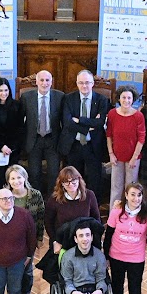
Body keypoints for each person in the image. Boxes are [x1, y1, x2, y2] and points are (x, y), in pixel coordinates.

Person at [103, 183, 147, 294]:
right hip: (116, 255)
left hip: (136, 258)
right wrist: (106, 257)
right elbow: (109, 234)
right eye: (133, 194)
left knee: (134, 289)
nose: (136, 198)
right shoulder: (117, 211)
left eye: (139, 195)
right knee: (117, 285)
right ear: (126, 195)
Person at [58, 70, 111, 202]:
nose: (84, 86)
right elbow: (68, 122)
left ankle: (94, 207)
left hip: (93, 146)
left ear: (93, 83)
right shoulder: (69, 98)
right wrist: (89, 126)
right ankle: (75, 204)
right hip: (73, 145)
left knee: (95, 180)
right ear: (77, 83)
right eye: (81, 83)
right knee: (73, 180)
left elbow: (100, 123)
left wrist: (80, 120)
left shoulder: (102, 100)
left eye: (87, 82)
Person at [7, 164, 46, 294]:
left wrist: (40, 238)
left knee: (27, 270)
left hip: (29, 240)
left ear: (25, 178)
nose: (16, 181)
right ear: (8, 181)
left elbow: (41, 218)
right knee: (10, 269)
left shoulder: (35, 195)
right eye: (13, 178)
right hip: (10, 240)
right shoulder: (6, 195)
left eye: (19, 177)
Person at [19, 69, 63, 195]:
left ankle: (52, 201)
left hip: (52, 139)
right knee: (34, 173)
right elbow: (20, 121)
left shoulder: (60, 96)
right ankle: (36, 201)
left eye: (47, 80)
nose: (45, 83)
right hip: (34, 140)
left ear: (51, 82)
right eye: (42, 80)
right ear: (36, 82)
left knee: (54, 173)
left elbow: (64, 120)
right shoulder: (26, 97)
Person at [106, 86, 146, 205]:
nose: (126, 100)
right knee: (116, 187)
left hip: (133, 158)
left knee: (131, 188)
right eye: (124, 97)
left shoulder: (138, 116)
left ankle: (129, 214)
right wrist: (111, 154)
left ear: (133, 99)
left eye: (129, 98)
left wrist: (134, 158)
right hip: (116, 156)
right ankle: (113, 216)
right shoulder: (112, 114)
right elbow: (109, 135)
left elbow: (141, 139)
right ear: (119, 98)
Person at [46, 166, 99, 253]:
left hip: (84, 241)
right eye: (66, 181)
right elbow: (48, 222)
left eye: (73, 180)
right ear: (61, 183)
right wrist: (55, 241)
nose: (70, 184)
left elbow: (96, 219)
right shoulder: (54, 199)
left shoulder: (89, 195)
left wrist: (93, 239)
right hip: (62, 242)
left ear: (79, 180)